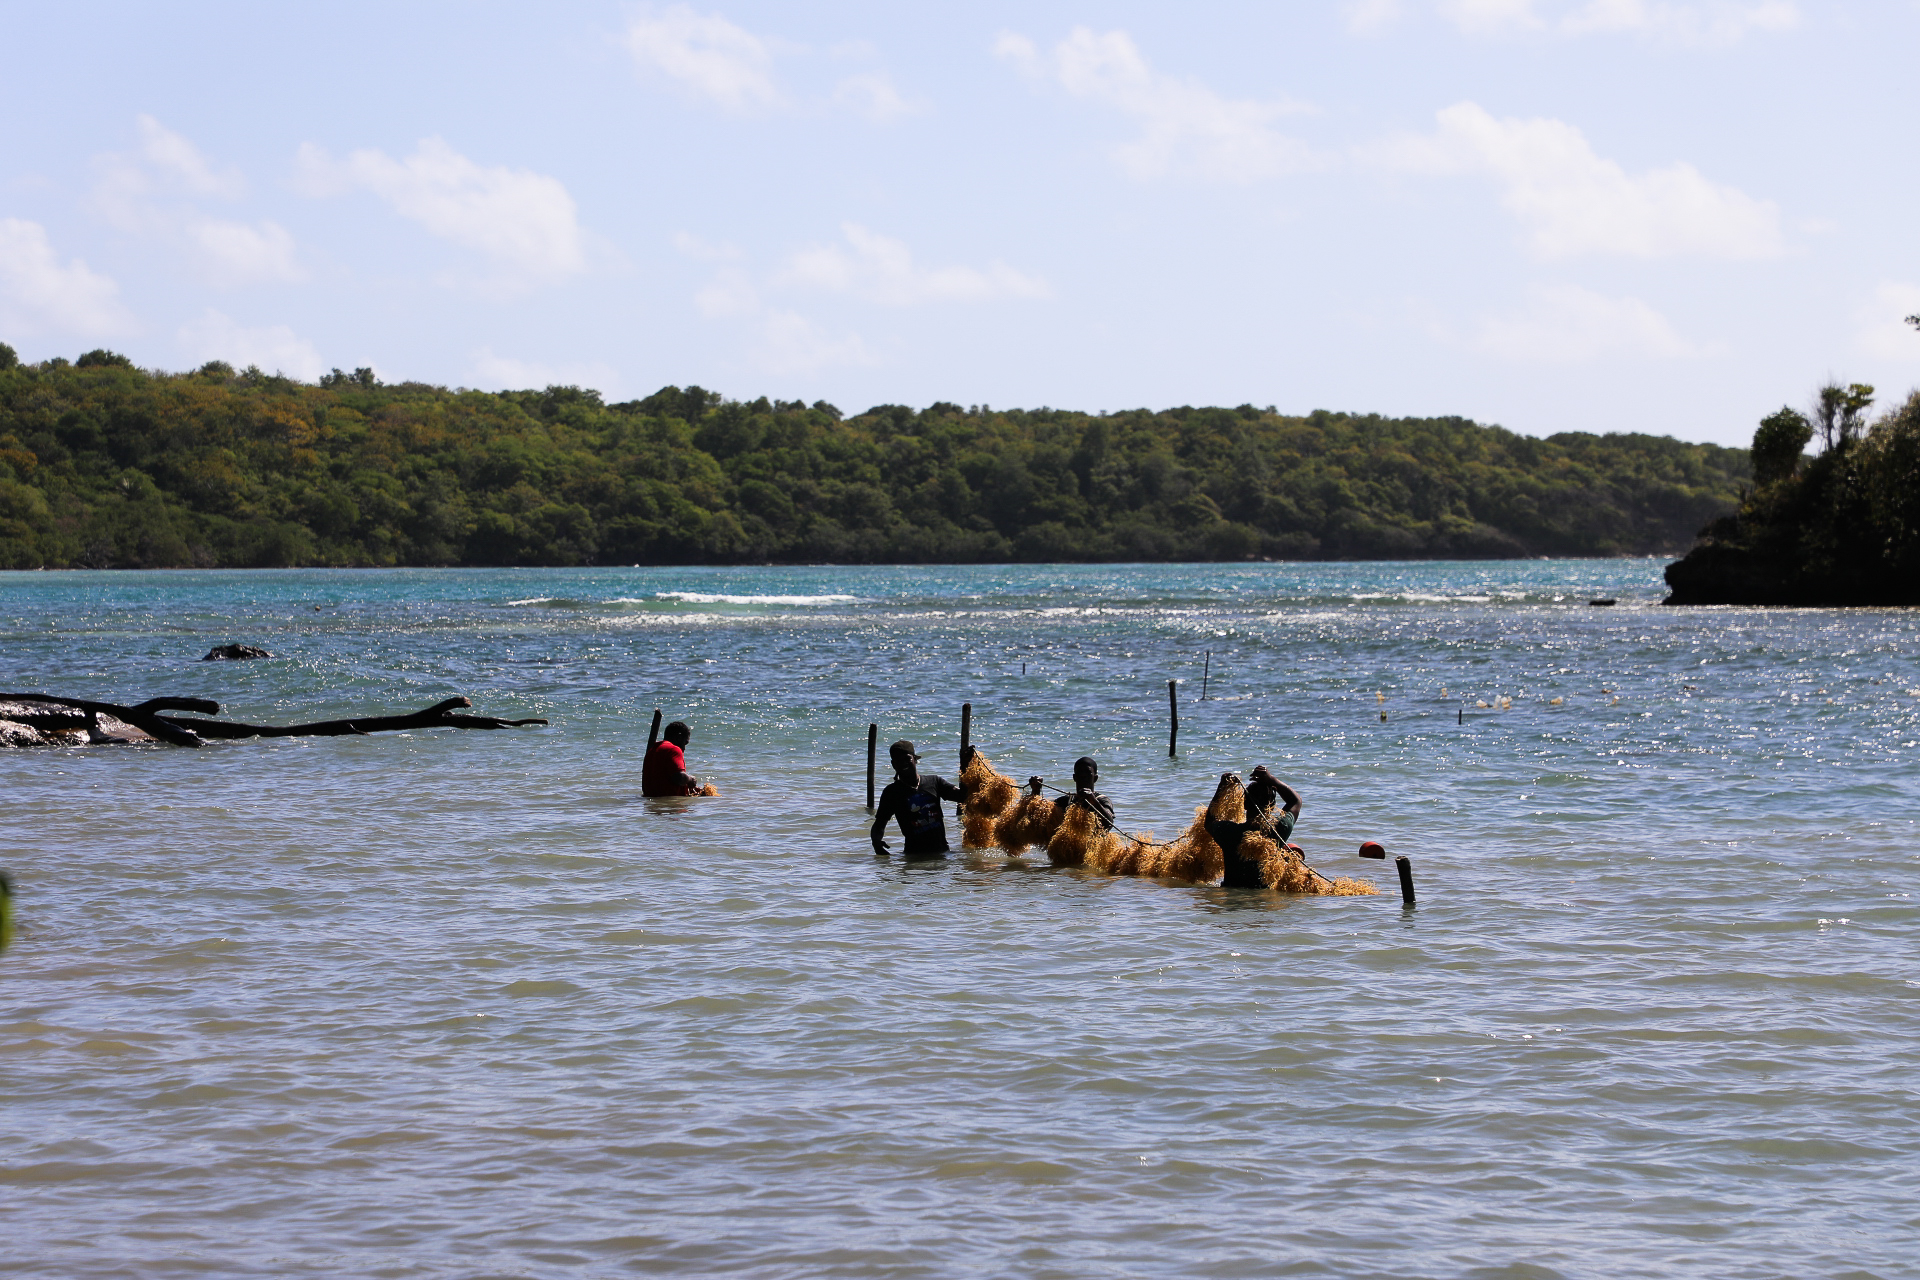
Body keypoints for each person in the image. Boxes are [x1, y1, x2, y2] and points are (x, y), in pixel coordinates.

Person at [1206, 765, 1304, 889]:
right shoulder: (1278, 830)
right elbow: (1295, 801)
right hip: (1264, 898)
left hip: (1232, 896)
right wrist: (1271, 779)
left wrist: (1222, 788)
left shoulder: (1229, 831)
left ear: (1245, 804)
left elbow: (1209, 822)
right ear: (1272, 806)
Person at [871, 740, 963, 858]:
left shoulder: (934, 782)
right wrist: (876, 843)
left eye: (907, 759)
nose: (903, 763)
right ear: (893, 764)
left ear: (915, 759)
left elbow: (963, 797)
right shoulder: (892, 792)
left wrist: (967, 764)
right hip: (913, 857)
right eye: (898, 761)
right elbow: (879, 824)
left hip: (942, 853)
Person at [642, 721, 702, 797]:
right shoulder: (673, 749)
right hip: (669, 802)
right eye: (685, 743)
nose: (684, 748)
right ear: (679, 737)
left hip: (651, 802)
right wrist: (690, 779)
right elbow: (679, 778)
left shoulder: (652, 751)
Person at [1065, 756, 1116, 828]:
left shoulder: (1102, 800)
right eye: (1080, 772)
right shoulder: (1066, 801)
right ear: (1074, 777)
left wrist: (1094, 802)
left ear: (1095, 778)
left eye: (1088, 772)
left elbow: (1109, 824)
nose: (1083, 775)